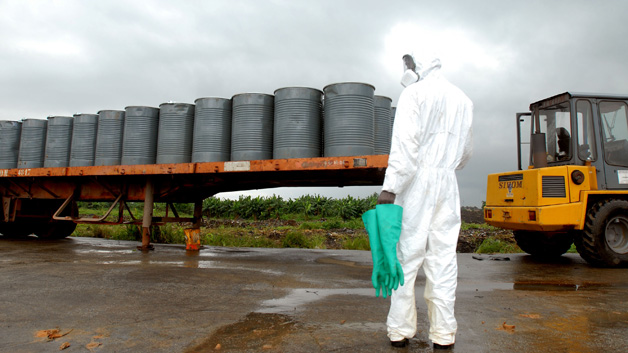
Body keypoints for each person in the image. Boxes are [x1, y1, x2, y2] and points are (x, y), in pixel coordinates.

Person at [378, 51, 473, 350]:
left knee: (407, 257)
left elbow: (405, 149)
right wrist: (444, 167)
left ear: (416, 67)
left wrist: (390, 189)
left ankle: (400, 331)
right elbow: (466, 155)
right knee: (443, 260)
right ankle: (444, 335)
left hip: (417, 183)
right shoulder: (463, 100)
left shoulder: (413, 94)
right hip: (447, 183)